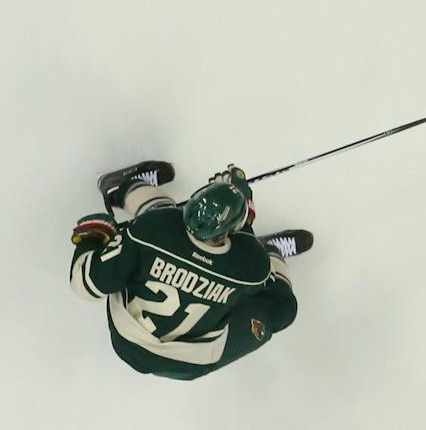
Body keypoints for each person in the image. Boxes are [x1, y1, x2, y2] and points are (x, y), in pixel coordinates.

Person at [69, 160, 311, 380]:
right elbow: (246, 248)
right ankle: (272, 254)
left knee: (160, 209)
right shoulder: (250, 266)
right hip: (190, 359)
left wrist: (92, 237)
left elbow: (85, 285)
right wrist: (244, 210)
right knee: (281, 308)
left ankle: (121, 188)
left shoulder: (153, 229)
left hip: (129, 337)